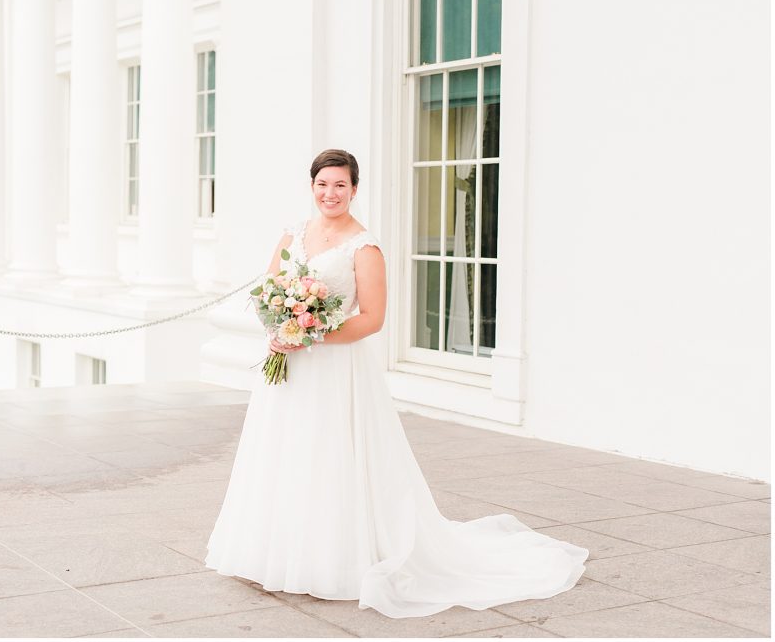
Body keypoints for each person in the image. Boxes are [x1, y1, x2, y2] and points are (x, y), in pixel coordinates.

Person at [204, 148, 589, 618]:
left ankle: (331, 559)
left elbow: (372, 319)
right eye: (323, 184)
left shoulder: (364, 247)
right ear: (311, 186)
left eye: (341, 185)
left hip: (333, 367)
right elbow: (269, 290)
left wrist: (309, 335)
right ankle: (275, 551)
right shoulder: (293, 233)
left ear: (355, 190)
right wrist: (278, 330)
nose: (331, 193)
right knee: (284, 450)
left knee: (329, 455)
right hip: (287, 362)